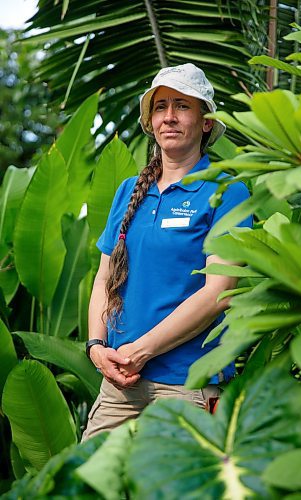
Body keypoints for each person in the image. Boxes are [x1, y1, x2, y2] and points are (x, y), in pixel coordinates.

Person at [82, 63, 252, 440]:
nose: (169, 117)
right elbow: (104, 278)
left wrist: (138, 351)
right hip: (119, 386)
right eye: (160, 107)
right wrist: (96, 347)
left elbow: (218, 292)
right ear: (151, 121)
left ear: (206, 122)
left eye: (182, 106)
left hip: (187, 388)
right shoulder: (129, 191)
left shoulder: (227, 191)